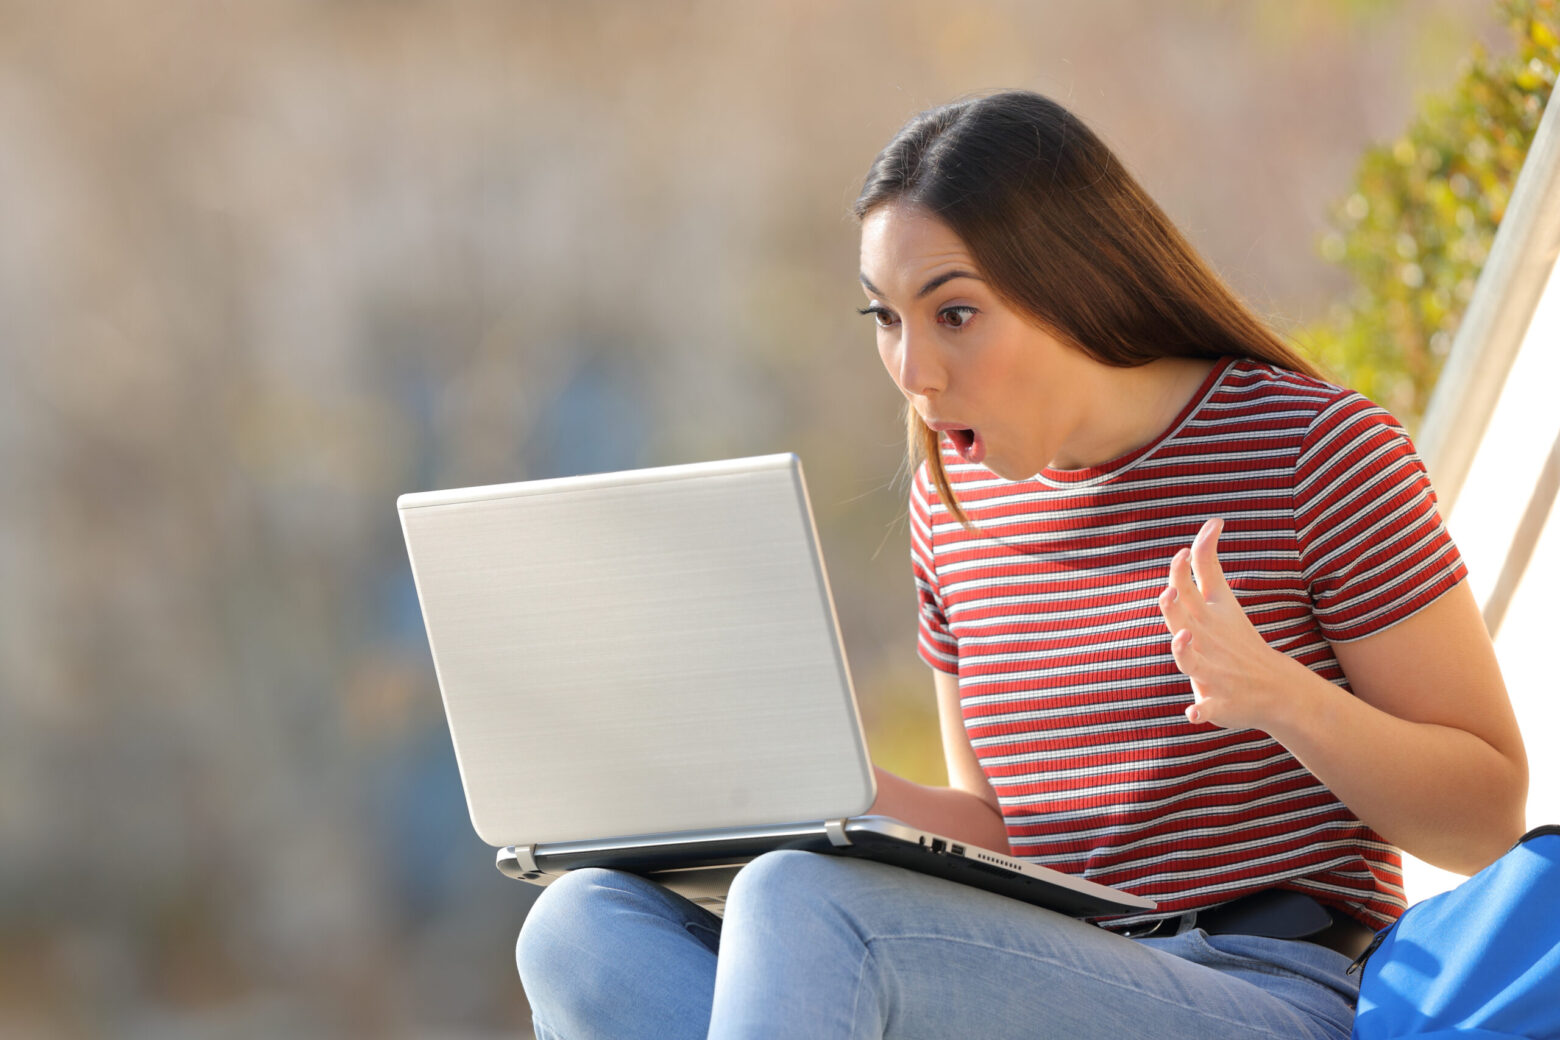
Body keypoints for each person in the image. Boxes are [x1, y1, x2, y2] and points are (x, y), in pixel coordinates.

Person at [513, 90, 1529, 1040]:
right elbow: (1013, 839)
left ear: (1073, 281)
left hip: (1275, 987)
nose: (915, 370)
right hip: (1038, 971)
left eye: (953, 312)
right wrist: (828, 788)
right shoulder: (954, 503)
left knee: (800, 898)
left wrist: (1280, 694)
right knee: (583, 924)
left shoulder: (1310, 448)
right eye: (886, 316)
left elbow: (1487, 814)